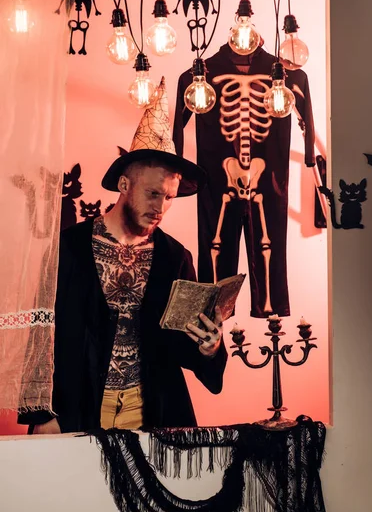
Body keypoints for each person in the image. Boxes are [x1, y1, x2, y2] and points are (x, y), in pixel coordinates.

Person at [18, 77, 227, 434]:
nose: (161, 207)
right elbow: (41, 333)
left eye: (170, 197)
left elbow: (184, 346)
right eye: (153, 193)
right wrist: (42, 414)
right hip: (78, 407)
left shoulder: (176, 257)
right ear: (124, 185)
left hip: (154, 410)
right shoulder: (68, 247)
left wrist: (210, 347)